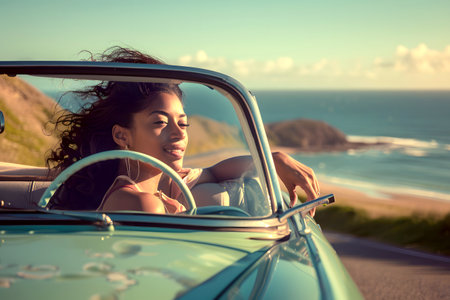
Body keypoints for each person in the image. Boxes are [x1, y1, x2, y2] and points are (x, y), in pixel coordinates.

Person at [46, 47, 320, 216]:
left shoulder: (163, 183)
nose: (178, 134)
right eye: (160, 122)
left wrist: (273, 159)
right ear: (122, 136)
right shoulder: (141, 203)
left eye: (183, 123)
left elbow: (214, 171)